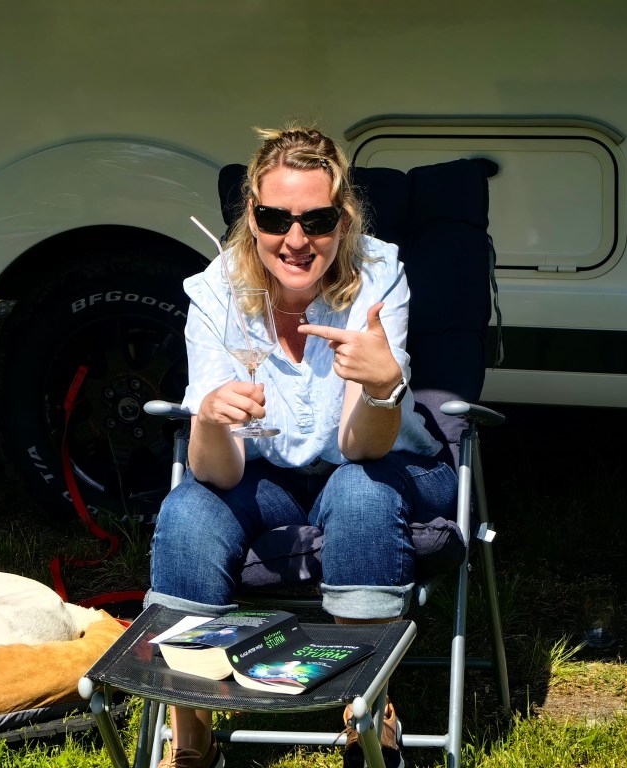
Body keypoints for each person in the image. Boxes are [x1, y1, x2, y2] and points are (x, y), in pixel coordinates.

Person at [145, 126, 458, 768]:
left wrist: (381, 388)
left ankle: (368, 716)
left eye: (316, 220)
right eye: (274, 218)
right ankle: (192, 737)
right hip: (267, 479)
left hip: (383, 462)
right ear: (251, 215)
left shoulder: (377, 277)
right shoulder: (216, 294)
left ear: (342, 220)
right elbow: (217, 473)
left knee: (360, 491)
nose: (295, 240)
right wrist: (209, 421)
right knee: (188, 510)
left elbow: (361, 447)